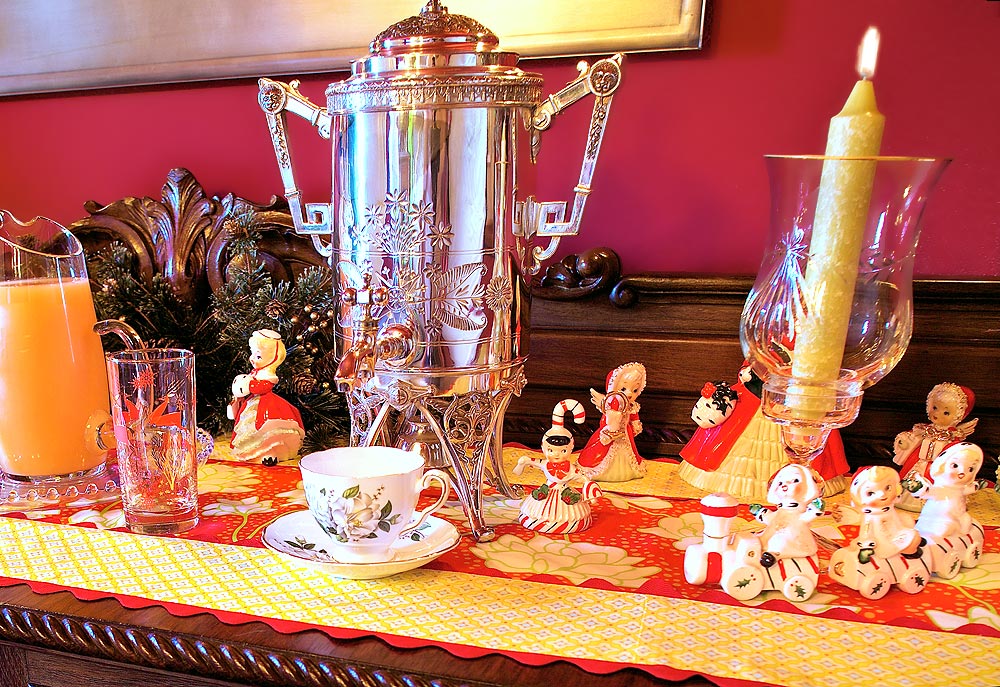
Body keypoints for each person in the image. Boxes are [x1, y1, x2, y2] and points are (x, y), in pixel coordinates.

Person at [678, 363, 850, 500]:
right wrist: (750, 372)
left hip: (796, 400)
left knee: (806, 438)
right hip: (755, 397)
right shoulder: (770, 341)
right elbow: (753, 358)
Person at [514, 399, 602, 533]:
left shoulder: (571, 469)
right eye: (550, 450)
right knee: (534, 513)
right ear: (543, 448)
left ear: (571, 449)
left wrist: (589, 488)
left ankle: (568, 523)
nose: (556, 454)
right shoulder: (545, 464)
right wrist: (523, 462)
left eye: (563, 451)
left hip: (565, 494)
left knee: (574, 516)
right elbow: (531, 461)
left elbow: (582, 477)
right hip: (546, 491)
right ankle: (538, 521)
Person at [229, 329, 305, 465]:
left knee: (267, 426)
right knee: (246, 424)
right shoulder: (255, 372)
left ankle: (270, 451)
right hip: (253, 401)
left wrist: (249, 385)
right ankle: (250, 450)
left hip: (265, 403)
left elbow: (264, 387)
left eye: (258, 356)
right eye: (252, 353)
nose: (252, 358)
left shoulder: (268, 375)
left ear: (273, 359)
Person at [578, 362, 647, 482]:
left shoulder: (631, 406)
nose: (629, 394)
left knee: (629, 452)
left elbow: (634, 416)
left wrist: (635, 424)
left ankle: (627, 470)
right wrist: (611, 426)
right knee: (603, 451)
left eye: (635, 390)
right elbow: (605, 420)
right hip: (610, 433)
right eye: (623, 389)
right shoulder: (611, 405)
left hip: (626, 433)